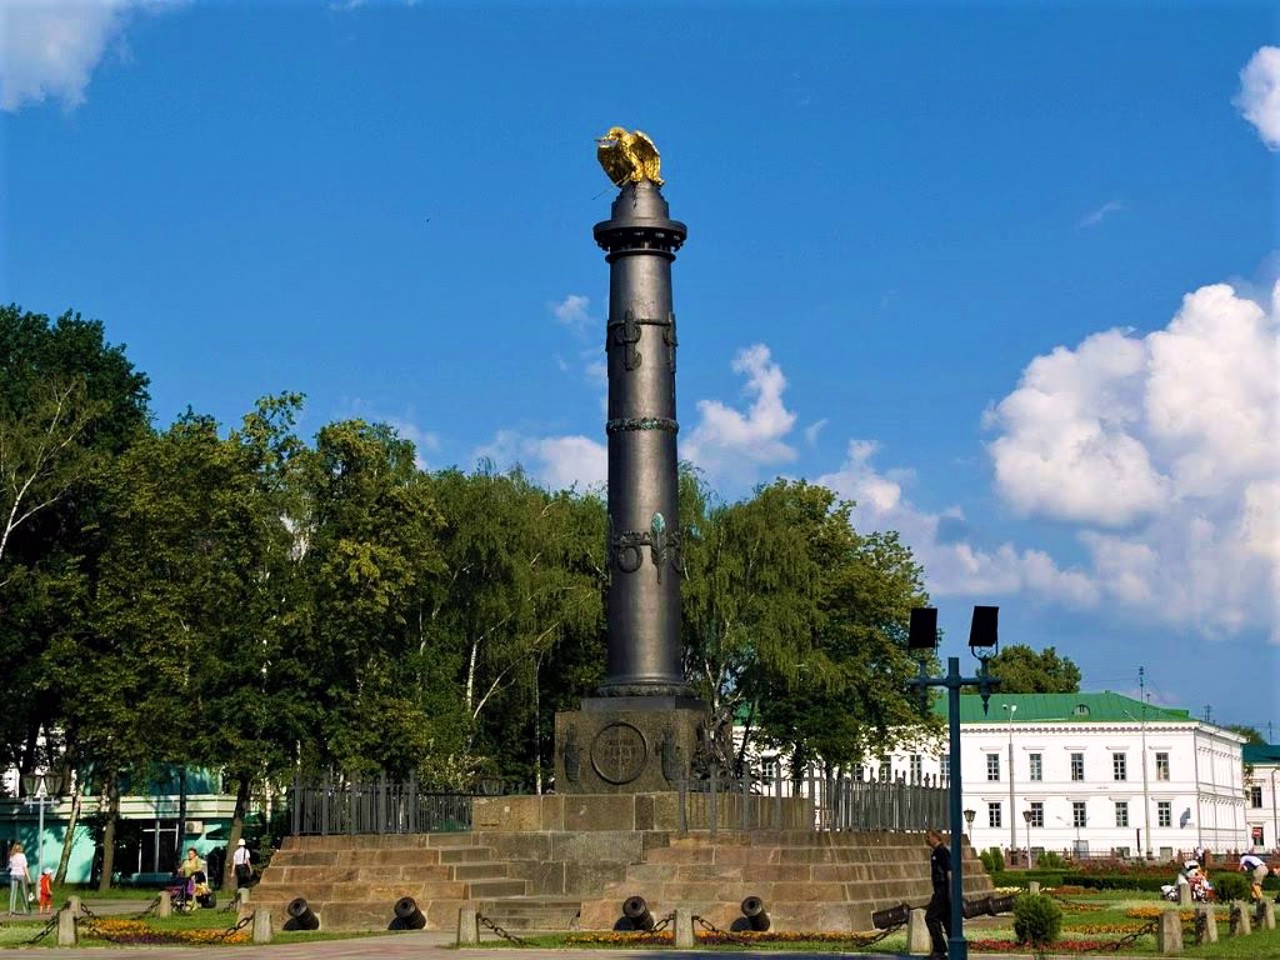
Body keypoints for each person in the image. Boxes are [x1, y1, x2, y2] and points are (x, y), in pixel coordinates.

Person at [925, 829, 951, 960]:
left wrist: (949, 892)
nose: (926, 839)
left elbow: (948, 871)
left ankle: (940, 950)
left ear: (936, 837)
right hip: (941, 890)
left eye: (928, 837)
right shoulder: (938, 852)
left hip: (942, 889)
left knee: (931, 917)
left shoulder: (941, 851)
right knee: (946, 919)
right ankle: (952, 948)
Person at [7, 842, 31, 915]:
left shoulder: (12, 856)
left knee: (13, 894)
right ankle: (26, 910)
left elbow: (10, 867)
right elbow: (25, 867)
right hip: (21, 875)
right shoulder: (22, 856)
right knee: (24, 892)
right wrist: (28, 877)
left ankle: (11, 911)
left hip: (13, 875)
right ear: (20, 848)